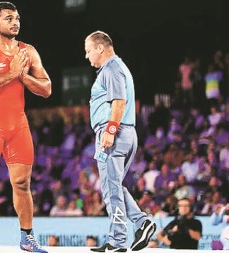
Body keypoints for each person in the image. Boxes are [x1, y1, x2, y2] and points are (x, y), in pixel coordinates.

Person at [0, 2, 51, 253]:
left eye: (17, 18)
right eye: (8, 18)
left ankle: (27, 237)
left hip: (18, 124)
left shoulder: (28, 51)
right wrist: (12, 73)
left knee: (22, 183)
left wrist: (23, 76)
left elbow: (46, 88)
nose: (15, 22)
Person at [84, 30, 156, 252]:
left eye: (88, 51)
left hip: (114, 133)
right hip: (123, 133)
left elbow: (119, 102)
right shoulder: (116, 67)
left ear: (100, 48)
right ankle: (142, 223)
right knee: (112, 185)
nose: (87, 56)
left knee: (110, 189)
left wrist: (110, 131)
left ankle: (118, 241)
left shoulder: (112, 68)